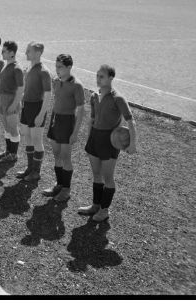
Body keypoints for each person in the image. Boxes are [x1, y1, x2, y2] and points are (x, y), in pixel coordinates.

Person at [79, 64, 137, 222]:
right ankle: (95, 205)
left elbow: (131, 122)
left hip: (109, 142)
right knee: (96, 175)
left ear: (111, 78)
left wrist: (133, 144)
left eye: (102, 76)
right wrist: (89, 139)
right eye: (97, 76)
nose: (98, 79)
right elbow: (92, 120)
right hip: (94, 140)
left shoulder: (118, 98)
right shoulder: (93, 96)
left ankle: (105, 211)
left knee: (108, 177)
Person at [43, 54, 85, 202]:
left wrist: (75, 133)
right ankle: (59, 184)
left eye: (60, 67)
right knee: (56, 154)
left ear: (69, 67)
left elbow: (81, 111)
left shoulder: (77, 85)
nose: (57, 69)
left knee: (66, 157)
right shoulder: (56, 81)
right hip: (56, 119)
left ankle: (66, 189)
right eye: (56, 66)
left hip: (67, 122)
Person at [16, 41, 52, 182]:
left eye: (28, 51)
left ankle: (36, 172)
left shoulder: (44, 71)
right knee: (27, 137)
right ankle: (30, 168)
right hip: (27, 107)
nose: (25, 53)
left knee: (37, 139)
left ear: (38, 53)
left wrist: (41, 114)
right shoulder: (30, 68)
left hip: (37, 107)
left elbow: (48, 95)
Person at [0, 41, 24, 162]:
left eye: (4, 51)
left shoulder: (17, 68)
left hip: (11, 100)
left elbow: (21, 89)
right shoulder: (6, 65)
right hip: (2, 99)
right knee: (6, 128)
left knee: (13, 128)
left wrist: (14, 104)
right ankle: (8, 152)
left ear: (12, 53)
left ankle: (13, 154)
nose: (2, 53)